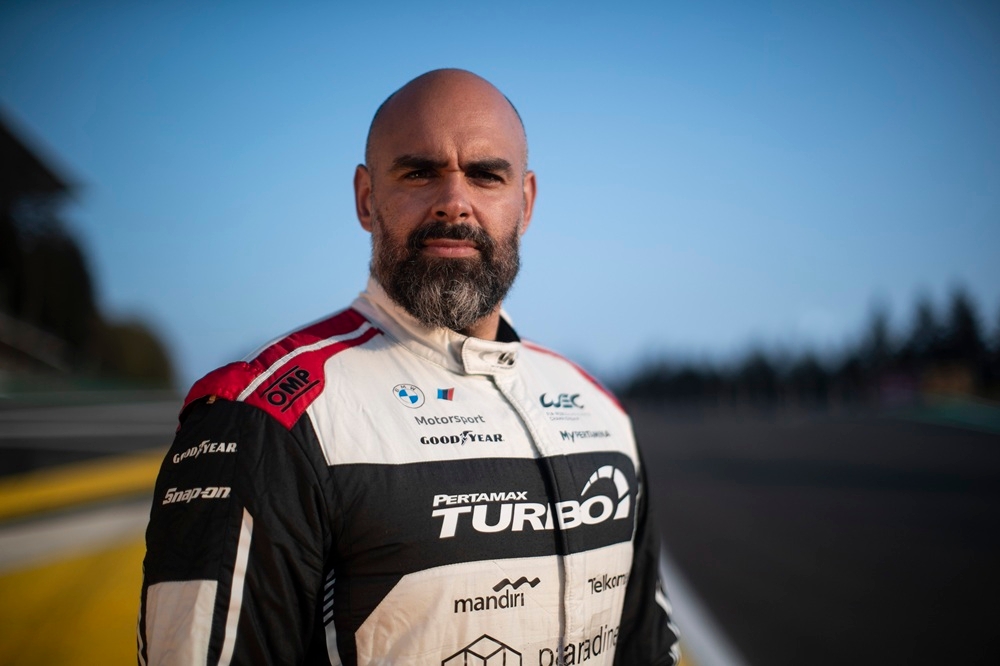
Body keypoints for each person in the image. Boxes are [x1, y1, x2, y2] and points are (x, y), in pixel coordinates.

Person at [138, 68, 680, 666]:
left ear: (525, 203)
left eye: (486, 175)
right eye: (419, 172)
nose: (455, 203)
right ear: (366, 199)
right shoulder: (266, 417)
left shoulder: (601, 414)